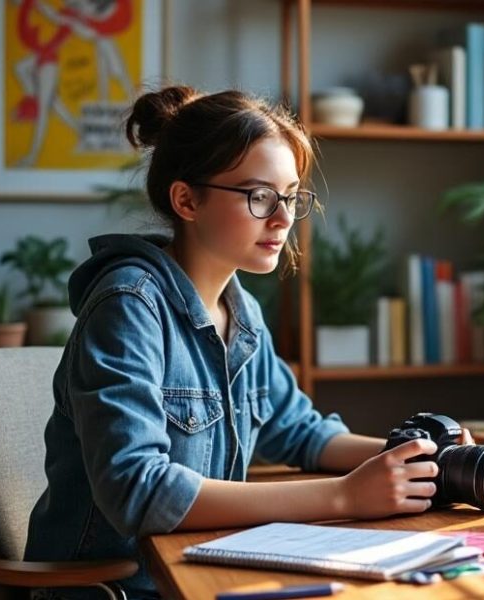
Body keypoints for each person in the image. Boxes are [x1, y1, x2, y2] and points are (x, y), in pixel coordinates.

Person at [23, 86, 452, 599]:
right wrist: (342, 497)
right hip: (117, 590)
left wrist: (422, 458)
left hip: (204, 571)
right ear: (186, 199)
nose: (283, 219)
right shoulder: (128, 307)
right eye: (259, 196)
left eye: (291, 196)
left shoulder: (238, 308)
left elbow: (298, 433)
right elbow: (139, 491)